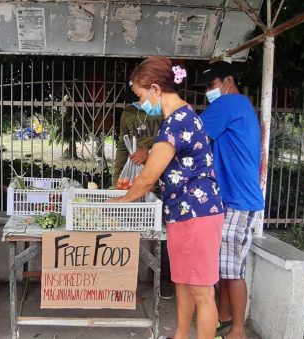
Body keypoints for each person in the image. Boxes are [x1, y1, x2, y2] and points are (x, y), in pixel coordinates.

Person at [107, 56, 224, 339]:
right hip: (181, 213)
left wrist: (119, 203)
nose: (142, 102)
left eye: (140, 95)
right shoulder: (175, 119)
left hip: (199, 214)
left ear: (156, 89)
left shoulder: (178, 121)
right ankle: (181, 336)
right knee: (183, 283)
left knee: (202, 292)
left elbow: (147, 178)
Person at [196, 62, 265, 339]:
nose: (209, 93)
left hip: (238, 199)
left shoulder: (231, 102)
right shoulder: (239, 106)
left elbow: (192, 133)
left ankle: (237, 330)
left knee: (233, 269)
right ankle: (224, 317)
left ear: (228, 81)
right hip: (231, 197)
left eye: (212, 87)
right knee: (223, 266)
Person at [112, 91, 176, 300]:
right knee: (126, 228)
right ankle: (122, 279)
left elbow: (174, 144)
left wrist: (148, 152)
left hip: (164, 180)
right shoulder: (129, 113)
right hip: (133, 180)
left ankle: (164, 279)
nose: (141, 100)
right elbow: (123, 146)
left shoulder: (166, 112)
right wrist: (117, 180)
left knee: (163, 234)